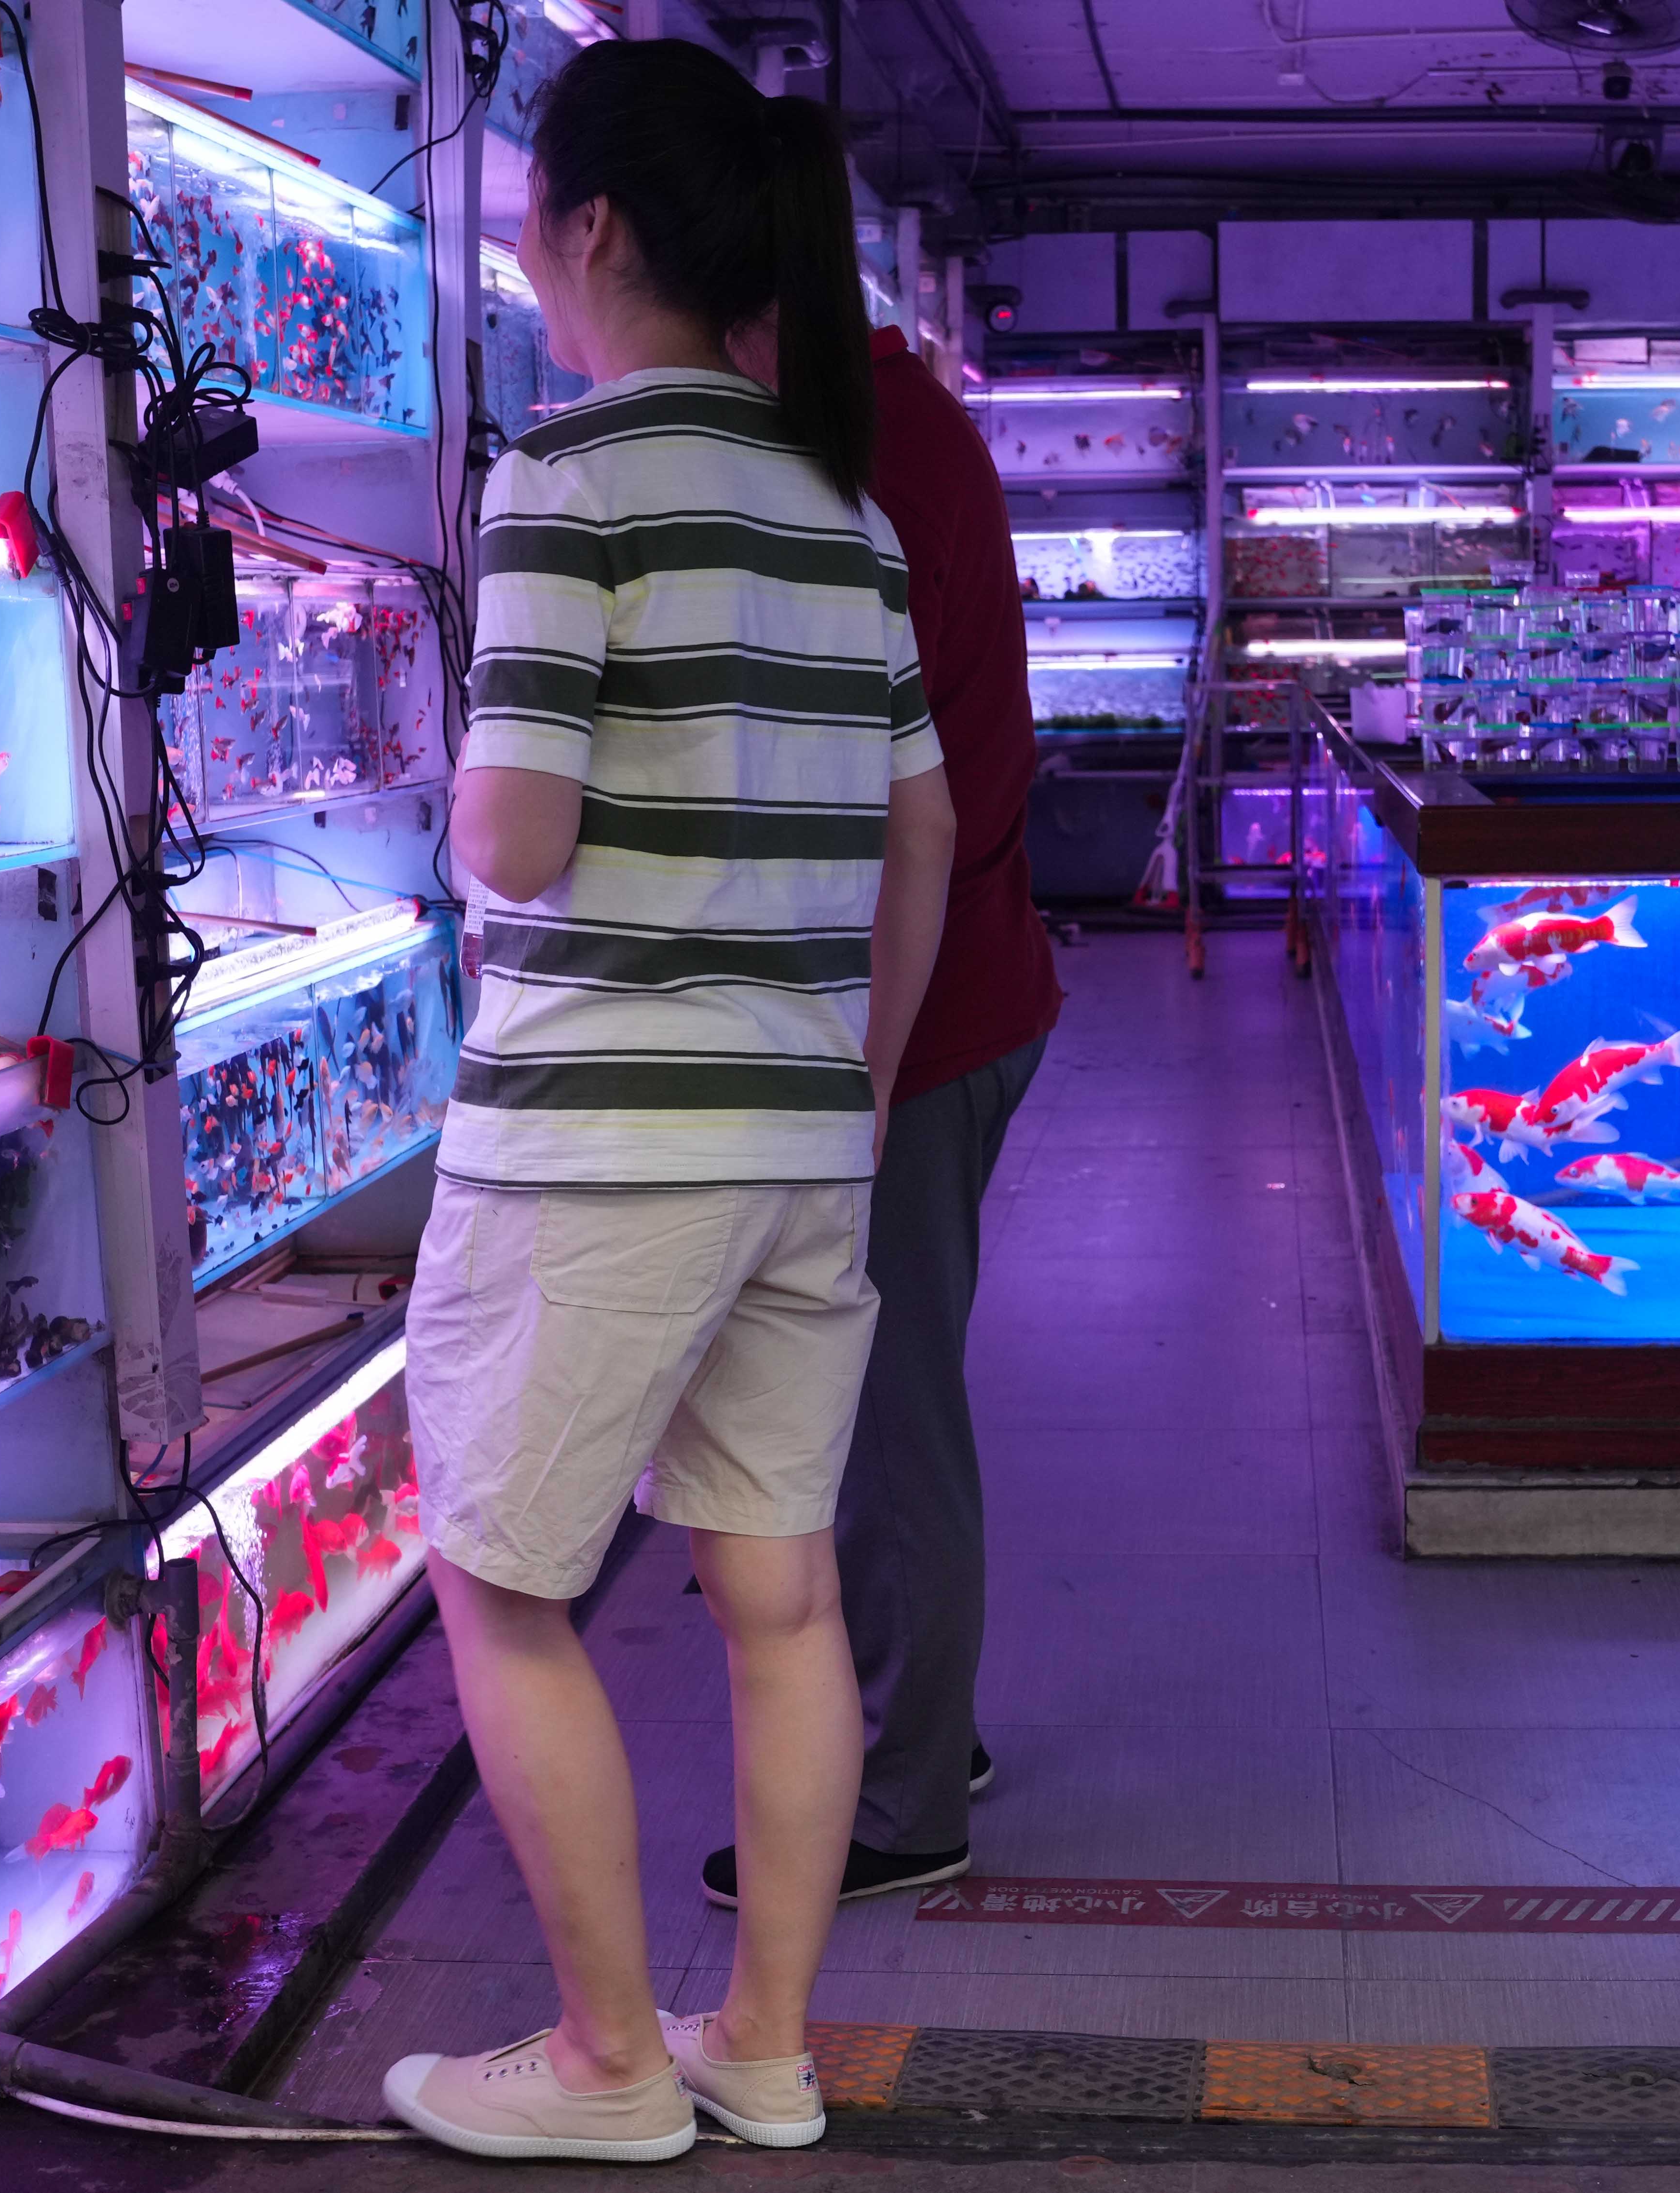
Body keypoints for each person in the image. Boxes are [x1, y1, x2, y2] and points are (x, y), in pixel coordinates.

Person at [380, 37, 957, 2165]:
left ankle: (611, 2062)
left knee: (500, 1581)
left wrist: (453, 786)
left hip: (604, 1143)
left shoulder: (567, 481)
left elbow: (516, 837)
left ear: (591, 224)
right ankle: (763, 2046)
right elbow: (923, 831)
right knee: (780, 1595)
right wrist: (855, 1092)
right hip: (802, 1136)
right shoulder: (848, 518)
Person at [702, 305, 1064, 1913]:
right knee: (882, 1402)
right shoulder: (902, 421)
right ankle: (924, 1723)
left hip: (911, 1028)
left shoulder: (864, 460)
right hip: (953, 997)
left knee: (881, 1421)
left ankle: (908, 1797)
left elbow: (886, 802)